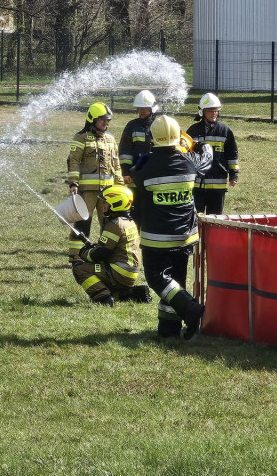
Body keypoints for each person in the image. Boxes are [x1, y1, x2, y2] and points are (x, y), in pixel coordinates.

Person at [132, 115, 212, 340]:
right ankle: (169, 331)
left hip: (156, 236)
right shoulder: (190, 161)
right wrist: (196, 143)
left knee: (158, 278)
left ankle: (191, 310)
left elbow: (133, 171)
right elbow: (207, 156)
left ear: (152, 138)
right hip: (185, 236)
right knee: (175, 280)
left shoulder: (144, 164)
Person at [72, 185, 152, 306]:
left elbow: (101, 254)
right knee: (96, 267)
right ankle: (128, 294)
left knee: (79, 268)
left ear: (116, 203)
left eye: (105, 203)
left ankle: (104, 298)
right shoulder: (129, 222)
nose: (103, 205)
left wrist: (83, 252)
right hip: (128, 273)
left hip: (119, 273)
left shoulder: (114, 224)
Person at [67, 102, 124, 261]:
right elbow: (74, 161)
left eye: (107, 120)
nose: (106, 123)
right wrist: (74, 183)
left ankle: (105, 254)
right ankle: (76, 256)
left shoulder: (111, 139)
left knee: (108, 225)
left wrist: (120, 187)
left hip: (108, 192)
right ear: (92, 120)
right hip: (88, 191)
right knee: (82, 223)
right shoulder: (81, 137)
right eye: (102, 120)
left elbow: (116, 165)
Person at [186, 93, 239, 215]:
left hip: (218, 184)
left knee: (215, 220)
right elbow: (187, 155)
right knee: (195, 218)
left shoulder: (224, 130)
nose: (214, 113)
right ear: (202, 112)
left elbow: (232, 154)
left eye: (216, 110)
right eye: (210, 110)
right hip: (197, 184)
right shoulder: (193, 131)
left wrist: (233, 175)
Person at [118, 90, 157, 223]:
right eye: (139, 108)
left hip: (154, 175)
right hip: (135, 175)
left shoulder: (158, 125)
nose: (141, 111)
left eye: (144, 108)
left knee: (152, 211)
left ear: (151, 108)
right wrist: (125, 171)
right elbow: (125, 149)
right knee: (136, 211)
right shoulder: (132, 126)